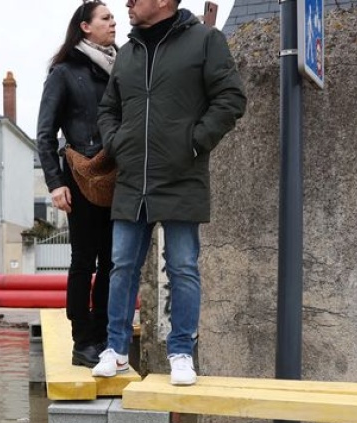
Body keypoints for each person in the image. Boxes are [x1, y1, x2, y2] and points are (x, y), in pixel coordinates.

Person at [91, 0, 246, 386]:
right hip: (132, 179)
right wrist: (116, 144)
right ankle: (117, 350)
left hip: (181, 175)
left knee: (183, 267)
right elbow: (108, 109)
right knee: (121, 266)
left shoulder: (206, 41)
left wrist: (192, 144)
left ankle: (181, 353)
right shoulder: (126, 53)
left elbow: (231, 99)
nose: (126, 2)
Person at [36, 0, 119, 368]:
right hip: (80, 174)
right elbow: (44, 133)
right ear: (85, 27)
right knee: (83, 259)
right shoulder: (64, 72)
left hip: (118, 175)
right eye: (106, 17)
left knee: (113, 261)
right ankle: (81, 340)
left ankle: (103, 336)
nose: (114, 21)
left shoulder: (121, 68)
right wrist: (55, 184)